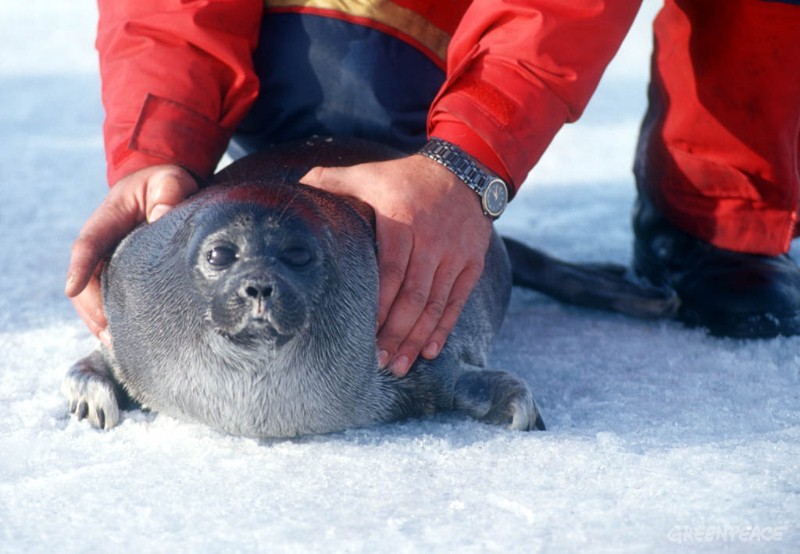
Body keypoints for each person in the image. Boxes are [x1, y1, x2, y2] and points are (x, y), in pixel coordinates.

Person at [66, 0, 800, 377]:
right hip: (354, 50)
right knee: (347, 80)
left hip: (482, 25)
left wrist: (470, 159)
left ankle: (720, 206)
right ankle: (354, 155)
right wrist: (157, 147)